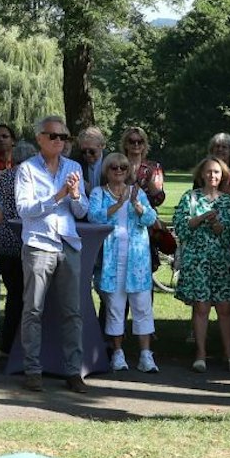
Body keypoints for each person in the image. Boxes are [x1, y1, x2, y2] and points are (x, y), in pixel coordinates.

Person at [14, 115, 91, 392]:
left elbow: (83, 212)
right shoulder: (26, 170)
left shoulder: (73, 168)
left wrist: (74, 195)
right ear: (40, 138)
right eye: (54, 136)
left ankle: (74, 371)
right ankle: (33, 370)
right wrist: (58, 196)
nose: (60, 141)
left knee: (73, 311)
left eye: (64, 137)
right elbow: (25, 210)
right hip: (39, 244)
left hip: (67, 243)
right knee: (33, 309)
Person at [88, 151, 157, 374]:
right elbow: (94, 216)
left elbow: (150, 219)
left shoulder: (136, 192)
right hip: (111, 260)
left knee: (142, 307)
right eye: (114, 167)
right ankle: (118, 353)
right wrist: (117, 205)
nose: (119, 171)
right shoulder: (99, 192)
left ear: (129, 172)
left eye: (123, 168)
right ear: (106, 171)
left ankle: (146, 355)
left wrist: (138, 206)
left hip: (137, 260)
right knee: (115, 308)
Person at [175, 155, 230, 374]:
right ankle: (200, 355)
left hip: (223, 262)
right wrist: (202, 217)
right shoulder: (190, 198)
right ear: (201, 174)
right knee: (201, 307)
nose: (213, 175)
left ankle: (229, 355)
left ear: (222, 175)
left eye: (217, 172)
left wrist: (216, 224)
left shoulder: (229, 202)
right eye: (209, 171)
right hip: (197, 262)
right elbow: (182, 229)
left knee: (225, 309)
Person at [0, 141, 31, 349]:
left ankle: (7, 342)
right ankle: (14, 342)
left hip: (1, 240)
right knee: (21, 295)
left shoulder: (2, 177)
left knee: (13, 292)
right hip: (20, 240)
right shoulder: (29, 178)